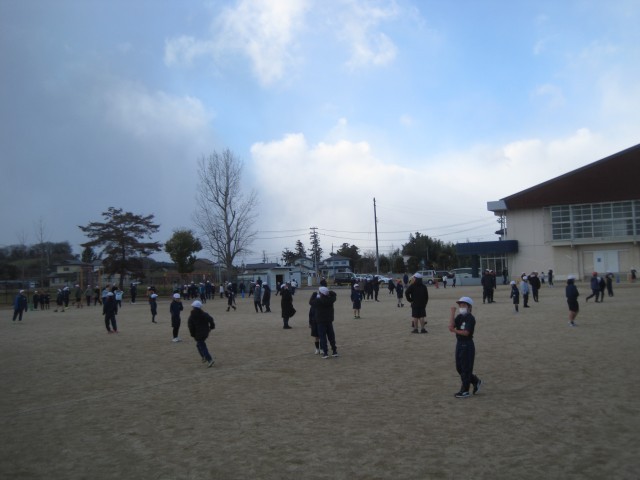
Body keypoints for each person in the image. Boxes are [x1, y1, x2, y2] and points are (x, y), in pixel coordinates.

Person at [448, 296, 482, 399]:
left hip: (467, 344)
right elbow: (451, 326)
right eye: (460, 305)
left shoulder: (470, 318)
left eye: (463, 305)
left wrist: (454, 331)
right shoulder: (459, 317)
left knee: (466, 369)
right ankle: (475, 381)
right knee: (459, 368)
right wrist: (452, 313)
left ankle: (465, 390)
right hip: (459, 343)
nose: (461, 307)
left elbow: (466, 333)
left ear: (469, 307)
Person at [187, 300, 215, 368]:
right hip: (205, 332)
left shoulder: (191, 316)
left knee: (202, 346)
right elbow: (211, 319)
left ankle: (209, 359)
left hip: (198, 334)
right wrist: (211, 327)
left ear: (193, 307)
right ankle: (204, 357)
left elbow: (190, 326)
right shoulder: (204, 314)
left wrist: (192, 334)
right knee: (199, 345)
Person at [313, 286, 338, 358]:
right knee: (331, 336)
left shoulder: (317, 300)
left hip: (320, 321)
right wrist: (328, 292)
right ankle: (334, 351)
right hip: (329, 320)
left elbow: (311, 302)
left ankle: (325, 352)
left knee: (322, 337)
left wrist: (314, 294)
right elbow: (334, 294)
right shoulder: (331, 299)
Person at [308, 290, 321, 354]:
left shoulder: (322, 305)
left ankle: (322, 348)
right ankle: (317, 349)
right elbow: (310, 315)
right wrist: (310, 323)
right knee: (316, 337)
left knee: (322, 336)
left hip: (321, 322)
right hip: (314, 322)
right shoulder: (312, 306)